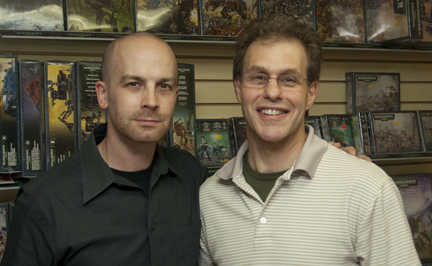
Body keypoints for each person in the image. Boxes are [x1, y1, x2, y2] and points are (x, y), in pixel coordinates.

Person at [199, 15, 420, 265]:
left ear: (311, 93)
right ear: (238, 87)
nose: (272, 92)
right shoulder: (210, 197)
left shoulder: (368, 188)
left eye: (289, 79)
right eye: (258, 77)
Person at [1, 33, 206, 266]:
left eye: (164, 86)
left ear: (175, 97)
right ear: (103, 94)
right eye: (134, 84)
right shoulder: (43, 203)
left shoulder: (191, 176)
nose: (151, 100)